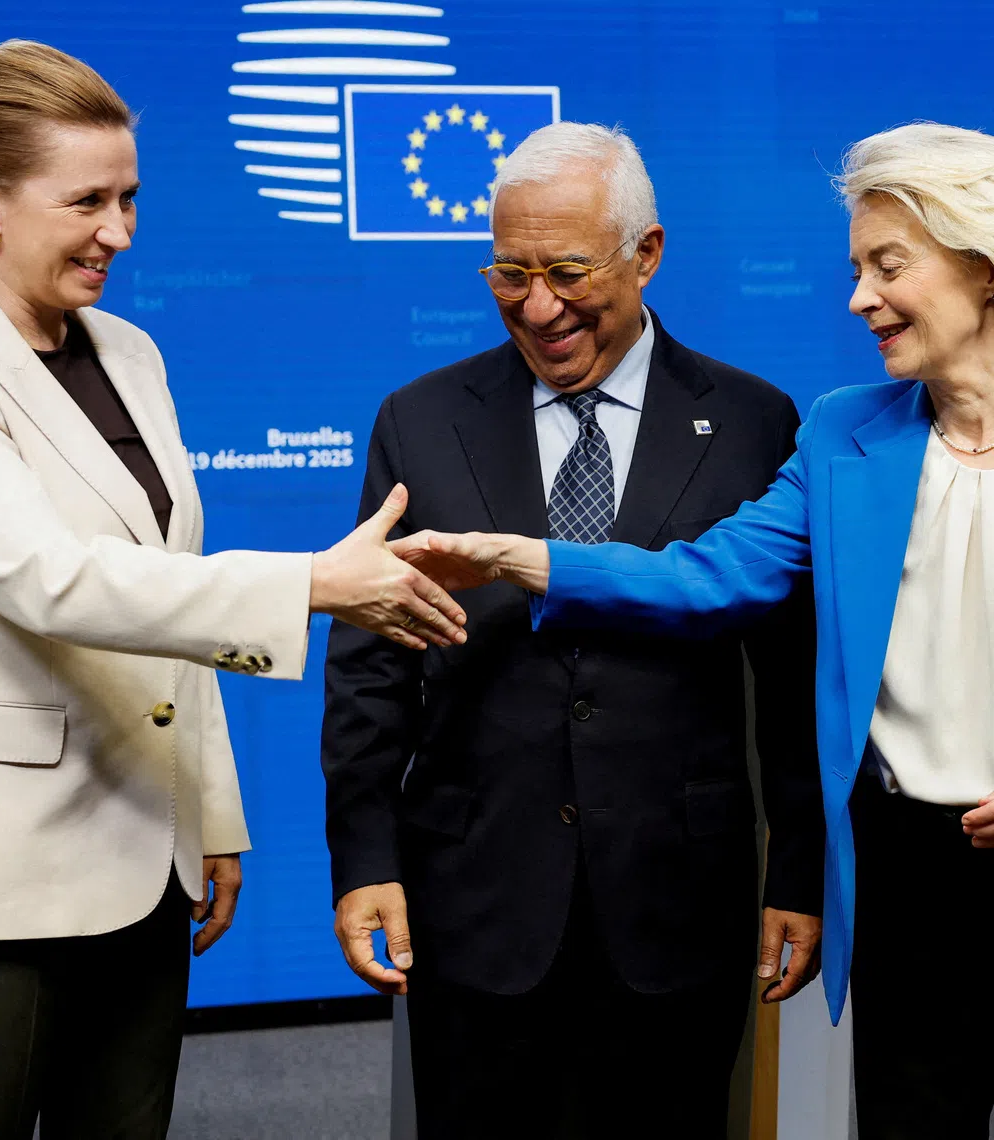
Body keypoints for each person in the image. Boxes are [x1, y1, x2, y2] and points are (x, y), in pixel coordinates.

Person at [393, 122, 994, 1140]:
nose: (859, 297)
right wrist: (527, 558)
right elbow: (713, 574)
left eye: (888, 266)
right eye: (856, 266)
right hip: (910, 871)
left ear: (990, 269)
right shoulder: (840, 433)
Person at [0, 39, 465, 1140]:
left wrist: (210, 810)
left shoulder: (131, 353)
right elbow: (52, 581)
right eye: (88, 201)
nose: (121, 232)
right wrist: (310, 583)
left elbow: (168, 588)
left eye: (132, 198)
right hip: (4, 883)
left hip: (143, 866)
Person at [322, 122, 824, 1139]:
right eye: (509, 273)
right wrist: (365, 859)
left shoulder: (753, 422)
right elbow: (370, 669)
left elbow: (793, 675)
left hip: (678, 896)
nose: (538, 307)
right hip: (476, 894)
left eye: (566, 271)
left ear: (647, 255)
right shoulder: (421, 418)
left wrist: (799, 874)